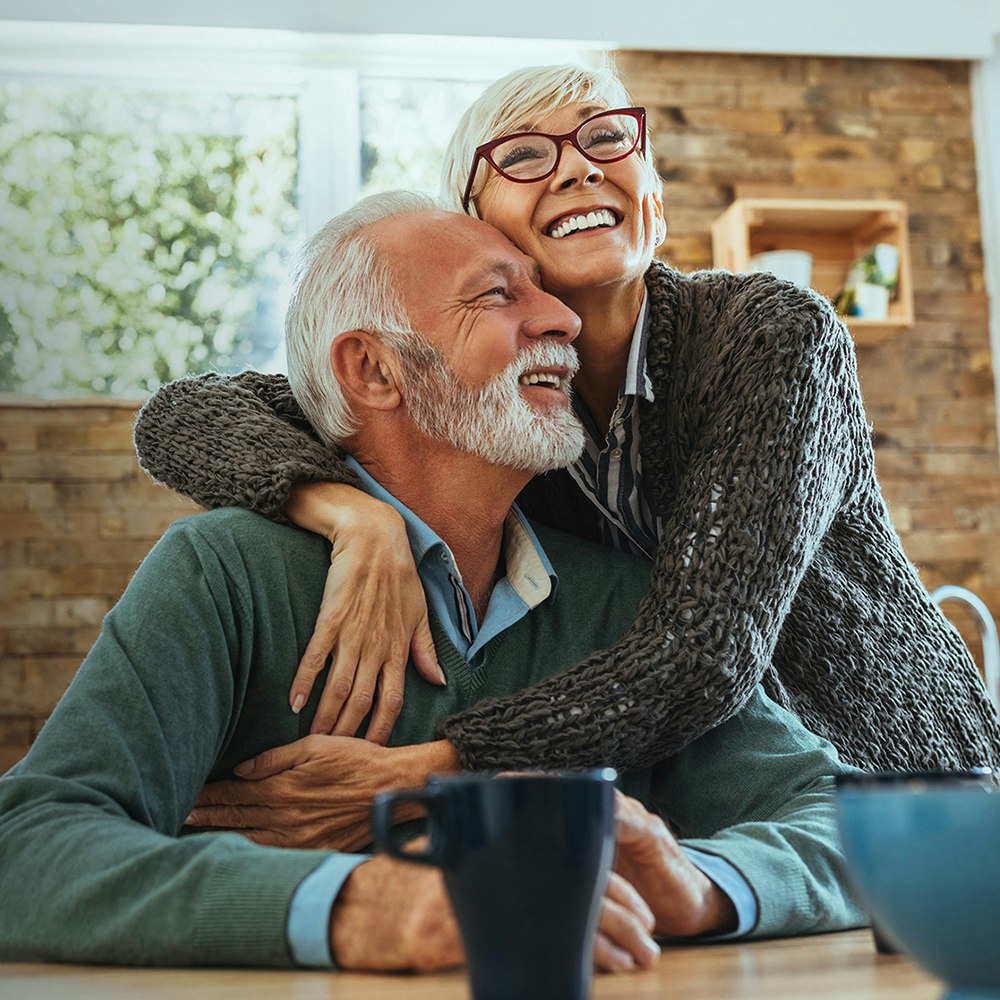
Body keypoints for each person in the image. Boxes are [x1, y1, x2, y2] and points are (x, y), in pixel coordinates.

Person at [0, 193, 864, 971]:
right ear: (374, 371)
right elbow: (26, 847)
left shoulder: (624, 602)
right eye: (498, 295)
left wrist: (699, 883)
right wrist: (356, 906)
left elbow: (846, 820)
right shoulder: (223, 576)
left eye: (543, 290)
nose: (561, 316)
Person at [134, 63, 1000, 795]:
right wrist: (347, 513)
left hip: (904, 783)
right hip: (714, 800)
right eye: (522, 155)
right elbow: (185, 414)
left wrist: (429, 770)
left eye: (606, 139)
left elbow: (703, 653)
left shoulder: (773, 336)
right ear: (475, 226)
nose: (578, 169)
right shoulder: (491, 401)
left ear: (653, 200)